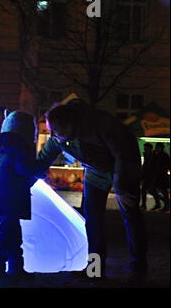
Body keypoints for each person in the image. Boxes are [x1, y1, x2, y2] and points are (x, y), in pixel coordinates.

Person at [36, 95, 148, 284]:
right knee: (93, 220)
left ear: (69, 124)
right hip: (95, 170)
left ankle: (138, 269)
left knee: (130, 216)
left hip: (124, 166)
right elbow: (44, 158)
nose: (53, 136)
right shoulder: (59, 136)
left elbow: (123, 152)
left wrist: (121, 185)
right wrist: (26, 176)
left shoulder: (99, 123)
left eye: (56, 131)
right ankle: (95, 270)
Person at [0, 110, 40, 284]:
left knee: (12, 233)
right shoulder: (19, 146)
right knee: (8, 234)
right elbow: (24, 169)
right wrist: (40, 170)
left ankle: (15, 268)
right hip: (12, 194)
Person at [140, 142, 159, 210]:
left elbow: (153, 166)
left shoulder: (153, 155)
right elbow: (146, 164)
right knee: (145, 190)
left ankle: (160, 202)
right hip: (147, 175)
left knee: (150, 190)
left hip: (151, 175)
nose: (144, 149)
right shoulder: (146, 154)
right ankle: (144, 204)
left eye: (146, 147)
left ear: (149, 148)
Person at [153, 143, 170, 212]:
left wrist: (162, 170)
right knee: (160, 190)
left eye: (157, 147)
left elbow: (167, 165)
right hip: (160, 175)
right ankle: (166, 203)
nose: (156, 148)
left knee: (163, 190)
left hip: (162, 175)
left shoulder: (164, 156)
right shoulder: (158, 155)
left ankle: (166, 205)